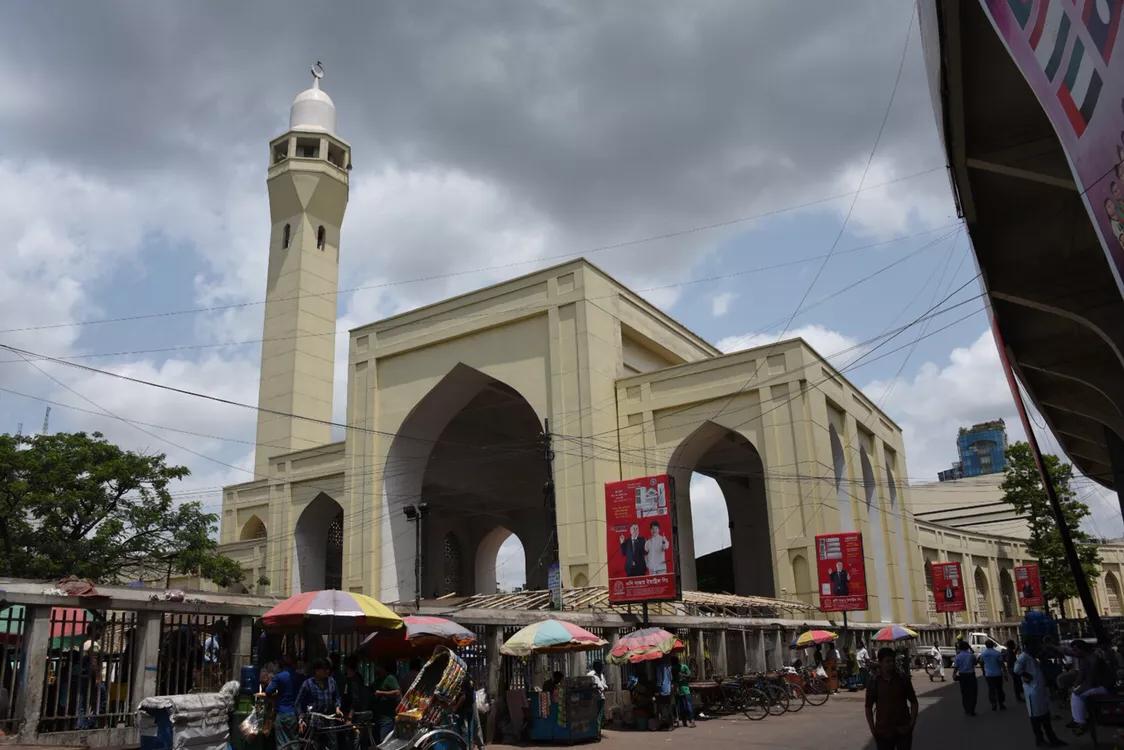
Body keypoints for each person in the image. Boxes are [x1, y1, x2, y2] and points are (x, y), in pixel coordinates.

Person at [1014, 641, 1066, 747]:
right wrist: (1026, 675)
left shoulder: (1033, 657)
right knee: (1036, 718)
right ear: (1029, 647)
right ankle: (1040, 740)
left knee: (1045, 716)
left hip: (1040, 690)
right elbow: (1016, 670)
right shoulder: (1023, 657)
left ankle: (1053, 739)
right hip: (1032, 692)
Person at [865, 647, 919, 750]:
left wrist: (911, 724)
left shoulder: (903, 679)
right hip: (883, 732)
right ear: (880, 663)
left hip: (903, 730)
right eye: (887, 661)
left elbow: (914, 702)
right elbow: (868, 707)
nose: (891, 664)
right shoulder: (874, 682)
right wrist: (873, 730)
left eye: (892, 661)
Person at [1067, 640, 1114, 735]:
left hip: (1104, 686)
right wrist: (1074, 686)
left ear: (1082, 649)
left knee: (1077, 695)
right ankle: (1078, 718)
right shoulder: (1084, 659)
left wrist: (1078, 690)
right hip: (1096, 685)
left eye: (1076, 650)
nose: (1074, 652)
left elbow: (1090, 681)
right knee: (1074, 692)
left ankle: (1081, 723)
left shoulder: (1093, 658)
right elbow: (1081, 676)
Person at [294, 659, 342, 750]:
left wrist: (337, 707)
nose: (327, 672)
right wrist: (300, 719)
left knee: (333, 746)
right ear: (316, 671)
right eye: (324, 669)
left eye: (328, 669)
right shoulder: (308, 684)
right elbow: (297, 703)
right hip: (314, 722)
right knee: (313, 746)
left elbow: (337, 697)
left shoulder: (331, 682)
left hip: (329, 720)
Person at [76, 622, 107, 730]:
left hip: (85, 676)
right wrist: (98, 677)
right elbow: (93, 661)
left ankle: (82, 724)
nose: (101, 634)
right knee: (101, 700)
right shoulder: (92, 644)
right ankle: (91, 723)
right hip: (93, 677)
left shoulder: (85, 643)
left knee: (83, 701)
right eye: (99, 631)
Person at [266, 655, 300, 747]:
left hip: (282, 712)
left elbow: (268, 691)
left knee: (282, 743)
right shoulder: (298, 676)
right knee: (294, 742)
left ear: (280, 666)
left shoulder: (279, 677)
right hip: (294, 713)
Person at [369, 662, 401, 743]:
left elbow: (397, 693)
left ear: (383, 668)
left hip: (387, 717)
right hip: (377, 716)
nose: (376, 669)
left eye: (378, 667)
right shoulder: (377, 681)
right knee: (376, 741)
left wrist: (381, 693)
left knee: (384, 741)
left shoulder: (390, 678)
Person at [979, 640, 1007, 711]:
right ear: (993, 645)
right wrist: (1005, 673)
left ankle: (993, 703)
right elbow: (1002, 664)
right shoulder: (997, 653)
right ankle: (1001, 703)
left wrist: (983, 671)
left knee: (991, 689)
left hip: (989, 674)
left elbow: (981, 662)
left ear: (986, 645)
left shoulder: (983, 654)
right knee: (999, 689)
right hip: (997, 674)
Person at [953, 640, 979, 716]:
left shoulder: (958, 656)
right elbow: (975, 663)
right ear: (968, 647)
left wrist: (954, 674)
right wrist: (971, 650)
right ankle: (972, 709)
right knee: (973, 693)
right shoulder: (971, 655)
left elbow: (956, 667)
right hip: (971, 675)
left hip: (962, 676)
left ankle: (967, 709)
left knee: (965, 693)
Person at [674, 656, 695, 728]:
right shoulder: (673, 668)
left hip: (685, 690)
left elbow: (690, 675)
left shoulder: (684, 667)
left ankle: (691, 720)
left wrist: (682, 675)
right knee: (682, 707)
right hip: (678, 690)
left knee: (687, 706)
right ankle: (685, 721)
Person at [586, 660, 607, 731]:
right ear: (595, 667)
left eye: (602, 666)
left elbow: (604, 684)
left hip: (601, 698)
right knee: (594, 716)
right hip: (594, 698)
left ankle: (598, 731)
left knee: (599, 716)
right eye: (600, 666)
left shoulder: (601, 675)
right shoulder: (590, 675)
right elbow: (588, 685)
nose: (602, 668)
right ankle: (595, 731)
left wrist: (605, 687)